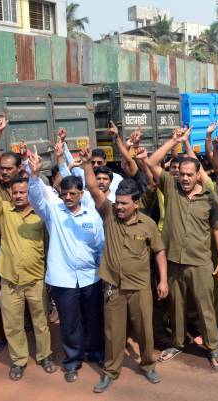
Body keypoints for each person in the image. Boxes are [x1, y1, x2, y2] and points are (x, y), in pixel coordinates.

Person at [80, 149, 169, 392]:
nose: (118, 207)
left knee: (144, 330)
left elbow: (159, 251)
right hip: (113, 286)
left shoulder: (148, 224)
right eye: (117, 202)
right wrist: (88, 163)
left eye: (123, 204)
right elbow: (92, 187)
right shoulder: (109, 214)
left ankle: (148, 364)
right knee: (113, 332)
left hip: (140, 286)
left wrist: (163, 281)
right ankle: (110, 370)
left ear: (136, 204)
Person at [146, 129, 218, 369]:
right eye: (181, 174)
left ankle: (213, 348)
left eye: (189, 175)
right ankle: (178, 343)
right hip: (173, 260)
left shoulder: (210, 198)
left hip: (201, 261)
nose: (184, 178)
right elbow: (151, 162)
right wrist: (175, 140)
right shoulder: (170, 187)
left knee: (206, 307)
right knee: (176, 306)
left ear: (197, 175)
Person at [0, 150, 57, 380]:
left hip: (36, 280)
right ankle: (19, 360)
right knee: (12, 325)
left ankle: (45, 356)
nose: (19, 196)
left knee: (41, 323)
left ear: (29, 193)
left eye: (23, 192)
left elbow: (50, 246)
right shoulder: (3, 212)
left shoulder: (41, 217)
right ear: (10, 193)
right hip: (10, 281)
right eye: (16, 192)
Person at [28, 147, 105, 383]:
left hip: (90, 278)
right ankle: (72, 361)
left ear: (81, 194)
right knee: (69, 323)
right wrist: (34, 175)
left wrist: (103, 273)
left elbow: (100, 247)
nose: (68, 198)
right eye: (65, 194)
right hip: (63, 280)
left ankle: (95, 352)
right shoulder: (53, 213)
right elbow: (36, 198)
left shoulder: (92, 217)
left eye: (73, 194)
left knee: (93, 319)